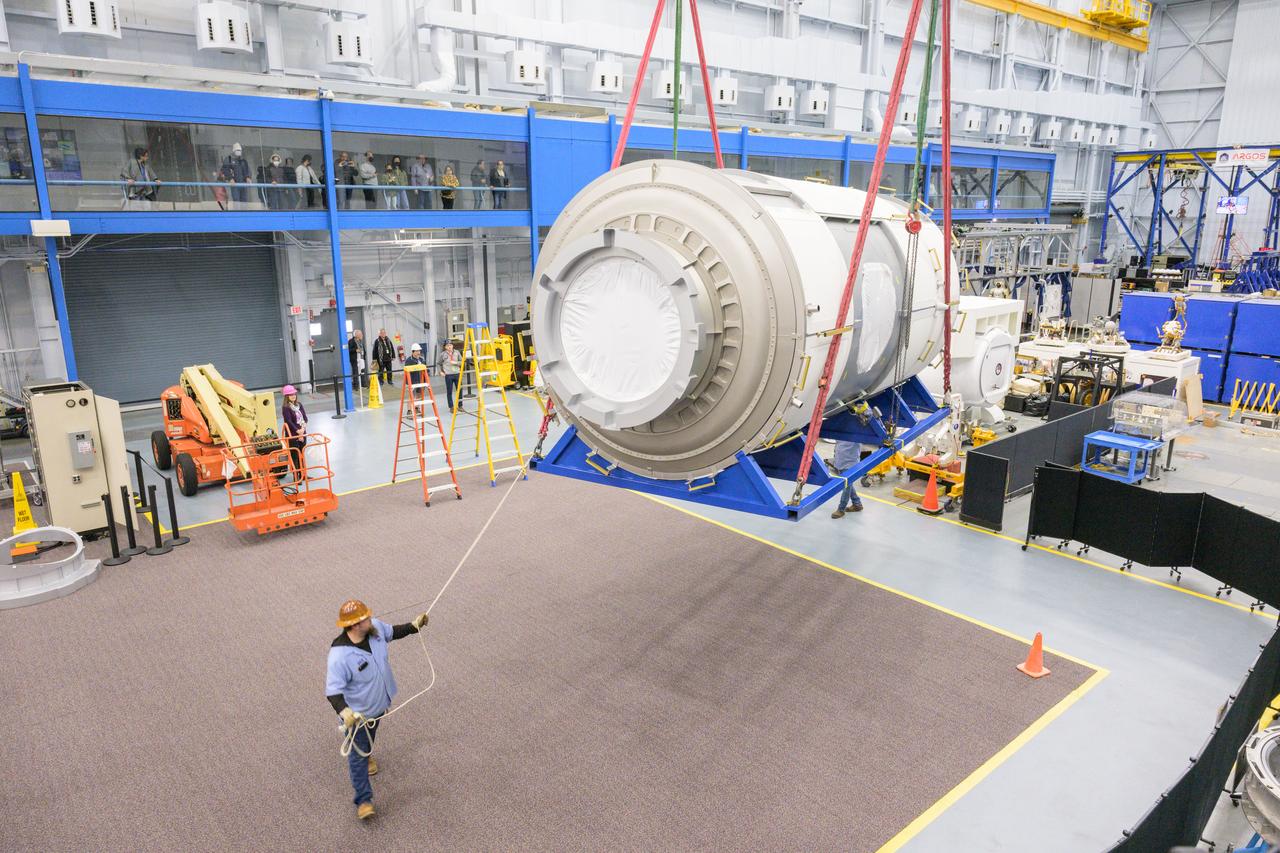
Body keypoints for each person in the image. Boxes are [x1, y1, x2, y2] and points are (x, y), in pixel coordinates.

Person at [325, 599, 430, 821]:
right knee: (357, 756)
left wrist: (414, 626)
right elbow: (333, 691)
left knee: (369, 740)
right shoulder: (339, 655)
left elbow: (393, 632)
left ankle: (368, 754)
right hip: (358, 716)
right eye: (365, 618)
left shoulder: (375, 629)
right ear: (354, 625)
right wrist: (345, 712)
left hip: (380, 705)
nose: (370, 620)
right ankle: (363, 800)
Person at [830, 439, 865, 518]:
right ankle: (857, 504)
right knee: (848, 484)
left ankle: (841, 509)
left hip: (850, 464)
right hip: (840, 462)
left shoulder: (856, 434)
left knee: (846, 486)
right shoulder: (842, 431)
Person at [280, 384, 308, 471]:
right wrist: (297, 431)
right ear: (286, 396)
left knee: (302, 454)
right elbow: (288, 421)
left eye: (294, 394)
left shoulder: (299, 405)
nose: (293, 396)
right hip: (292, 435)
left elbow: (305, 418)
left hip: (302, 433)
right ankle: (297, 476)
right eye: (290, 395)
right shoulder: (286, 408)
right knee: (295, 455)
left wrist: (302, 430)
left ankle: (303, 475)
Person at [437, 339, 462, 411]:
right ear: (445, 347)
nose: (449, 347)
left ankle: (460, 406)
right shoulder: (443, 354)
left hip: (457, 373)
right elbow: (438, 363)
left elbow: (462, 361)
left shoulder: (457, 352)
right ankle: (451, 407)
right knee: (449, 391)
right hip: (448, 375)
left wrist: (456, 363)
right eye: (447, 345)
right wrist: (440, 372)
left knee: (460, 390)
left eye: (450, 345)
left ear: (453, 345)